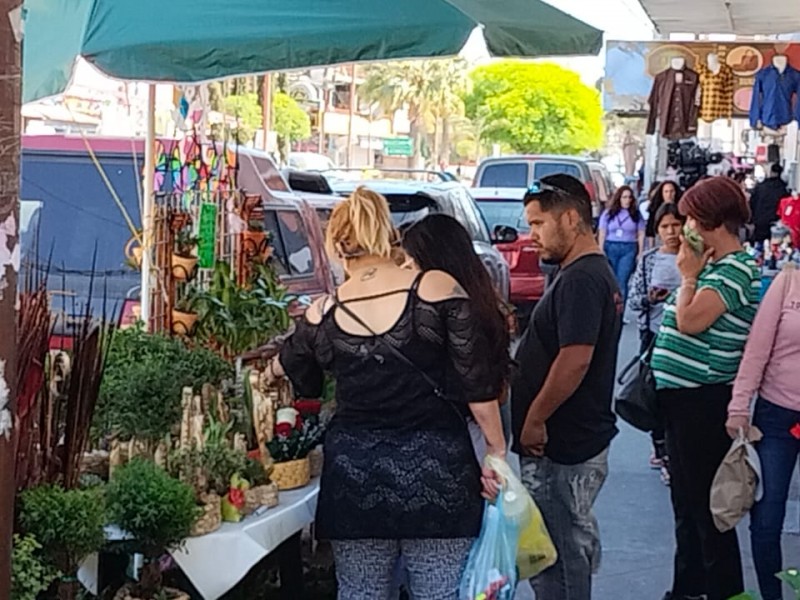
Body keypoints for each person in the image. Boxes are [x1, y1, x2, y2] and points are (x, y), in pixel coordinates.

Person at [267, 187, 505, 599]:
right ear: (388, 234)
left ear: (339, 247)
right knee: (442, 592)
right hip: (438, 475)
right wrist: (496, 452)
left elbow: (290, 374)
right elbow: (477, 384)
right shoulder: (435, 288)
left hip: (355, 481)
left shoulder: (322, 311)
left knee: (360, 592)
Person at [512, 174, 622, 600]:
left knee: (560, 557)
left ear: (571, 219)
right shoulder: (581, 273)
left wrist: (536, 419)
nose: (532, 235)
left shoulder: (581, 278)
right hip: (568, 442)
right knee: (560, 551)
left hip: (564, 445)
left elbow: (575, 359)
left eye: (539, 224)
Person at [649, 176, 759, 600]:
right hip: (681, 398)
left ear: (711, 221)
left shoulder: (733, 271)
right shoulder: (715, 265)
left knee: (705, 508)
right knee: (686, 504)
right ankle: (688, 587)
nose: (686, 226)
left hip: (703, 399)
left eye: (692, 218)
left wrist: (688, 277)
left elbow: (690, 321)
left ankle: (720, 590)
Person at [401, 214, 514, 455]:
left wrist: (496, 447)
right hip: (478, 428)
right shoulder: (485, 302)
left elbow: (478, 389)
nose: (406, 271)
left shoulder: (444, 312)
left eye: (411, 263)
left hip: (456, 436)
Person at [727, 264, 800, 600]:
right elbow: (757, 347)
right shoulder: (788, 281)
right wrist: (739, 405)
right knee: (767, 521)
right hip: (776, 416)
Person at [627, 203, 685, 482]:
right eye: (665, 226)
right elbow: (633, 300)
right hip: (654, 337)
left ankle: (676, 451)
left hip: (686, 337)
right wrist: (650, 298)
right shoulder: (649, 260)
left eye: (676, 225)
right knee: (655, 396)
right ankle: (662, 450)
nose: (671, 232)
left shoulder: (695, 258)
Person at [598, 185, 645, 306]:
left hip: (628, 248)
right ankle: (609, 309)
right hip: (611, 246)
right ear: (619, 198)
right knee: (610, 280)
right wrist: (600, 249)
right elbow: (602, 232)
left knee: (622, 281)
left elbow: (640, 234)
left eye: (629, 197)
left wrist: (640, 252)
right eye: (624, 197)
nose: (627, 200)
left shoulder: (636, 214)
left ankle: (620, 312)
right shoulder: (609, 213)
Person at [749, 162, 789, 244]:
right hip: (776, 222)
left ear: (770, 172)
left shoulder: (760, 186)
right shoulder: (783, 189)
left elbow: (752, 202)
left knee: (759, 244)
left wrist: (751, 218)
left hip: (760, 220)